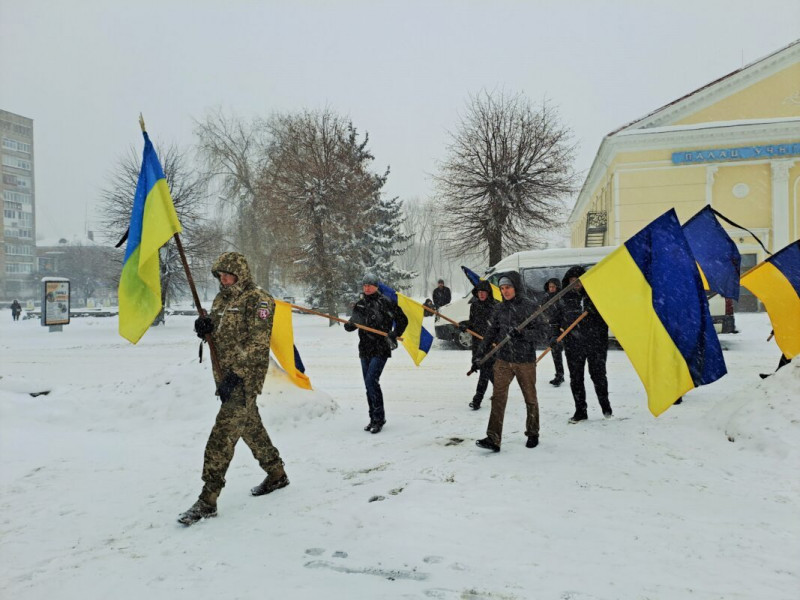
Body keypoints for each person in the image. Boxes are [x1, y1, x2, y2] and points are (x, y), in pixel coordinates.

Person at [178, 252, 288, 526]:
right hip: (224, 375)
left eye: (229, 275)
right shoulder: (222, 299)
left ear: (242, 273)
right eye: (220, 275)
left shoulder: (259, 299)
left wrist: (237, 375)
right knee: (250, 426)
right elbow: (220, 333)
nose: (224, 280)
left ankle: (208, 499)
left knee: (222, 435)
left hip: (244, 378)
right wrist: (205, 328)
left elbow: (258, 343)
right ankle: (276, 473)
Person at [474, 271, 541, 451]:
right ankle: (493, 438)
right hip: (503, 359)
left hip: (525, 360)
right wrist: (479, 355)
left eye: (508, 287)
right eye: (502, 288)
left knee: (530, 398)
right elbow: (490, 334)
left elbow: (542, 333)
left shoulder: (530, 306)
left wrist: (522, 334)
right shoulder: (499, 308)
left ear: (516, 287)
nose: (505, 291)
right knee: (498, 398)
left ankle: (533, 431)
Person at [344, 272, 408, 434]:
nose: (366, 288)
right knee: (368, 384)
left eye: (369, 285)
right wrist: (350, 325)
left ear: (376, 287)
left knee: (372, 381)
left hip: (380, 347)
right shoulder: (359, 305)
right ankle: (373, 417)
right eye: (364, 285)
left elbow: (403, 319)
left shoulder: (386, 303)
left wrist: (394, 333)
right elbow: (354, 322)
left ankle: (378, 418)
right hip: (364, 348)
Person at [558, 266, 612, 423]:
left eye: (578, 280)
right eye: (571, 281)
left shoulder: (596, 296)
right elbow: (555, 321)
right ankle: (580, 411)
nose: (575, 283)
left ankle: (606, 406)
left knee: (598, 376)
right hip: (573, 346)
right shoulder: (563, 299)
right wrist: (555, 336)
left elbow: (608, 318)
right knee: (576, 378)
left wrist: (595, 310)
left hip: (596, 344)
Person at [458, 280, 497, 410]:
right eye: (479, 292)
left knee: (485, 371)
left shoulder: (495, 306)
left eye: (483, 292)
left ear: (488, 293)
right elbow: (473, 322)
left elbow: (499, 326)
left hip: (490, 344)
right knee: (489, 372)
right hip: (478, 343)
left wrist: (494, 339)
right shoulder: (474, 306)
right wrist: (465, 326)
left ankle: (477, 400)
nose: (481, 294)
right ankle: (500, 391)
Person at [542, 278, 565, 386]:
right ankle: (560, 374)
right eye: (550, 286)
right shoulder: (546, 298)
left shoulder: (560, 299)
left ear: (557, 287)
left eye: (553, 287)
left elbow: (563, 315)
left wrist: (561, 328)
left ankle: (560, 376)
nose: (551, 289)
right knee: (554, 352)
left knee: (556, 352)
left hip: (557, 329)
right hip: (549, 328)